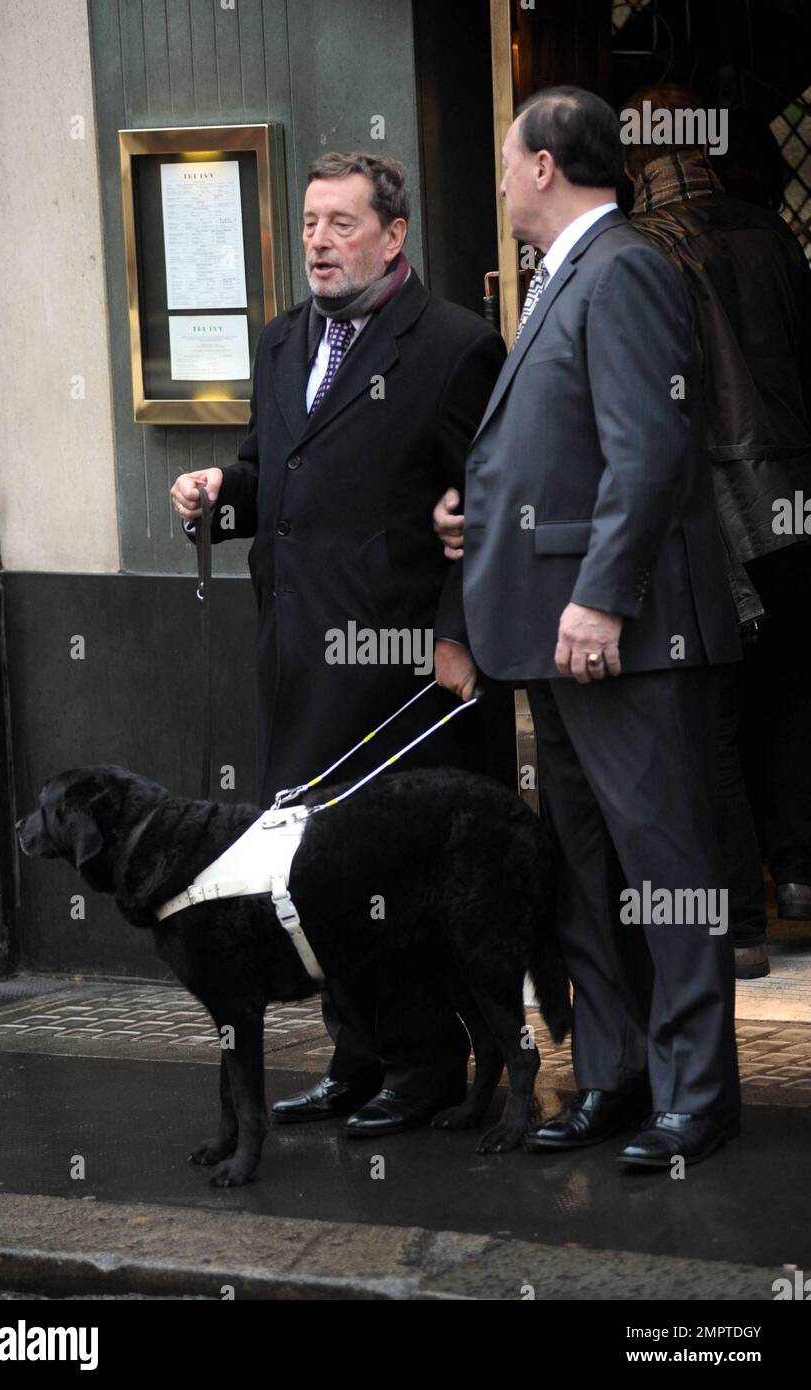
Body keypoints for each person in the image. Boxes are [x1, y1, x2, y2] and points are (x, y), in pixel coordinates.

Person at [171, 152, 510, 1138]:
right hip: (294, 660)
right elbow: (268, 472)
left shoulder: (453, 347)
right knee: (312, 873)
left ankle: (427, 1063)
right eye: (312, 221)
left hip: (398, 672)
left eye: (342, 223)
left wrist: (457, 633)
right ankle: (355, 1058)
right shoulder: (281, 344)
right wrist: (220, 494)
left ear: (393, 235)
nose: (319, 240)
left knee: (388, 875)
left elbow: (484, 513)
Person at [434, 86, 741, 1168]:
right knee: (585, 871)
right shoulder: (573, 275)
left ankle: (696, 1095)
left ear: (546, 167)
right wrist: (477, 515)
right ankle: (615, 1075)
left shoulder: (623, 272)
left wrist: (602, 594)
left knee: (664, 868)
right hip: (555, 636)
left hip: (623, 633)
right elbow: (564, 450)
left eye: (511, 158)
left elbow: (648, 451)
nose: (504, 176)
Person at [625, 84, 811, 977]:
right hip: (797, 490)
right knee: (794, 691)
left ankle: (740, 922)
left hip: (722, 503)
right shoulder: (772, 231)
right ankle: (804, 873)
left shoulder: (651, 249)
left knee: (721, 714)